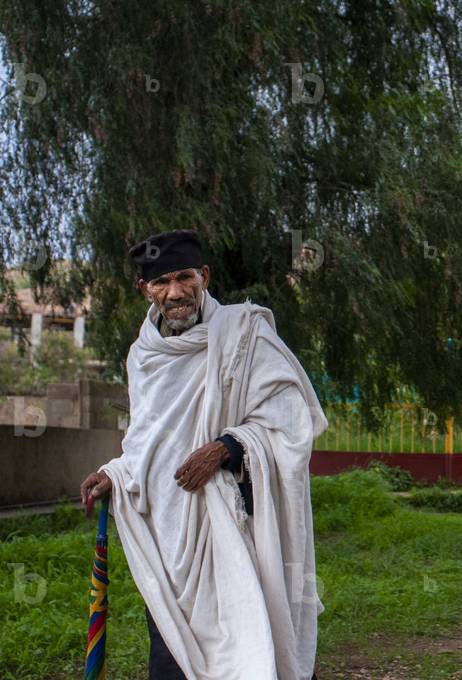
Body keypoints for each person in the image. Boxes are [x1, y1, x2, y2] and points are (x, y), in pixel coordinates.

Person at [80, 230, 327, 680]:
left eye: (184, 277)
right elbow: (145, 441)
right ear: (145, 290)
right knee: (173, 656)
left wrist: (225, 448)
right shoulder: (142, 357)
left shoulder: (244, 334)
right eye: (161, 283)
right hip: (169, 534)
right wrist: (113, 475)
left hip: (235, 524)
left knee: (249, 635)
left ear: (204, 276)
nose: (175, 292)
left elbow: (292, 420)